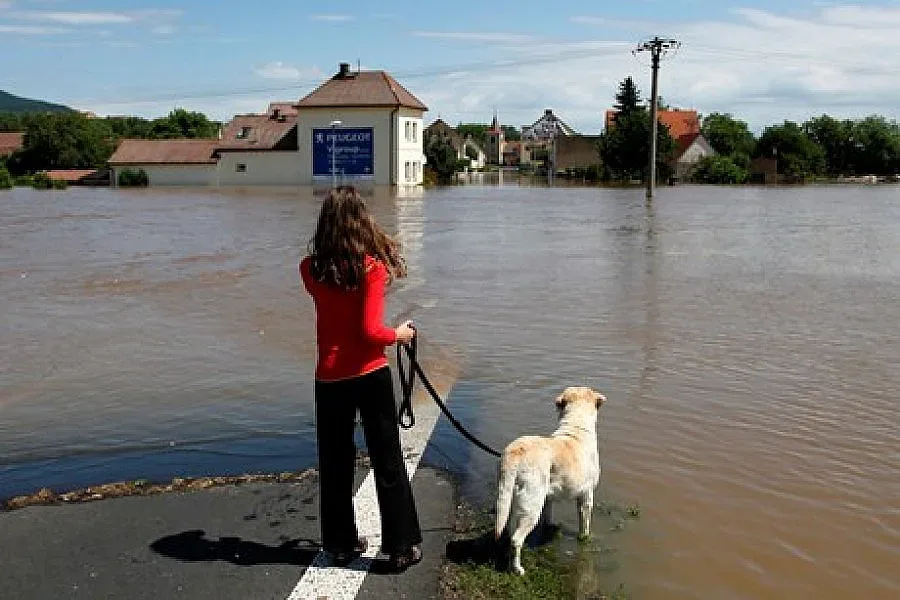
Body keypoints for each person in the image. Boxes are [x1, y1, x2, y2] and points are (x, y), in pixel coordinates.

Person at [299, 186, 422, 571]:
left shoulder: (309, 268)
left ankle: (340, 544)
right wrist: (400, 335)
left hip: (329, 377)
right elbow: (370, 331)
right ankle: (400, 547)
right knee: (387, 460)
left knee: (335, 462)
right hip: (369, 374)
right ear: (361, 222)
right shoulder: (372, 268)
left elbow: (337, 315)